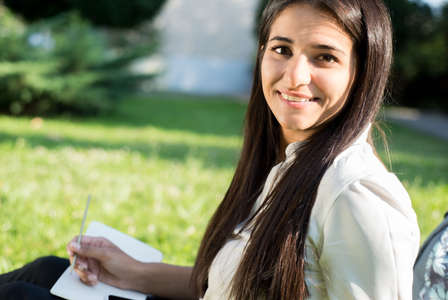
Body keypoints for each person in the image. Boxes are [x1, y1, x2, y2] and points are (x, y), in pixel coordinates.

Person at [0, 0, 421, 299]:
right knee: (44, 271)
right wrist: (133, 273)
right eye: (282, 50)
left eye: (324, 57)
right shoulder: (288, 166)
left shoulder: (357, 196)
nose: (294, 76)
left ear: (362, 73)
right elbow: (228, 287)